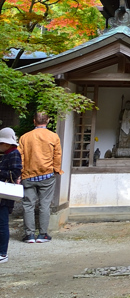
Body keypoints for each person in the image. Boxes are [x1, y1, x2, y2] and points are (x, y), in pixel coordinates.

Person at [19, 112, 62, 243]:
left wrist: (20, 173)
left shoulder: (25, 137)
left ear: (34, 121)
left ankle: (29, 235)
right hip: (47, 174)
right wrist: (56, 170)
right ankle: (42, 234)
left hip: (28, 174)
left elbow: (20, 157)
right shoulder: (53, 136)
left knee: (28, 205)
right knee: (44, 205)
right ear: (47, 121)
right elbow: (57, 155)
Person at [0, 127, 22, 263]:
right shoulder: (8, 154)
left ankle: (3, 253)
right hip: (2, 194)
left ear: (6, 143)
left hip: (5, 195)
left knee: (2, 224)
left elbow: (15, 174)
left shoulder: (14, 154)